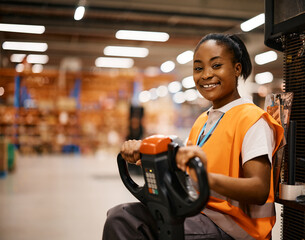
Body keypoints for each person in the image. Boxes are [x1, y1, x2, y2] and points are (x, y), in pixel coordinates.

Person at [102, 33, 284, 240]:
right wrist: (146, 155)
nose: (206, 75)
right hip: (198, 213)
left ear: (237, 69)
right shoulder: (202, 122)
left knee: (131, 222)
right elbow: (185, 170)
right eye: (198, 68)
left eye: (216, 66)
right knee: (121, 216)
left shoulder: (253, 119)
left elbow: (259, 189)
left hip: (236, 228)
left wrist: (205, 179)